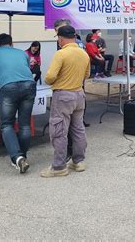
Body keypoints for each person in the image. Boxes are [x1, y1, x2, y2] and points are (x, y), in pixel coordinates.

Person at [41, 25, 90, 178]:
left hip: (63, 95)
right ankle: (78, 161)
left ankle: (59, 167)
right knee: (78, 128)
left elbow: (49, 77)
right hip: (79, 94)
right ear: (74, 37)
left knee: (59, 131)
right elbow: (86, 75)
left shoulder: (61, 54)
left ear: (61, 38)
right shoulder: (84, 54)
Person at [0, 34, 36, 173]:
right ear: (11, 43)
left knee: (6, 124)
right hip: (29, 85)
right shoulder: (22, 53)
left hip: (9, 88)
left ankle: (17, 157)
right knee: (25, 125)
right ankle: (22, 158)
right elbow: (24, 70)